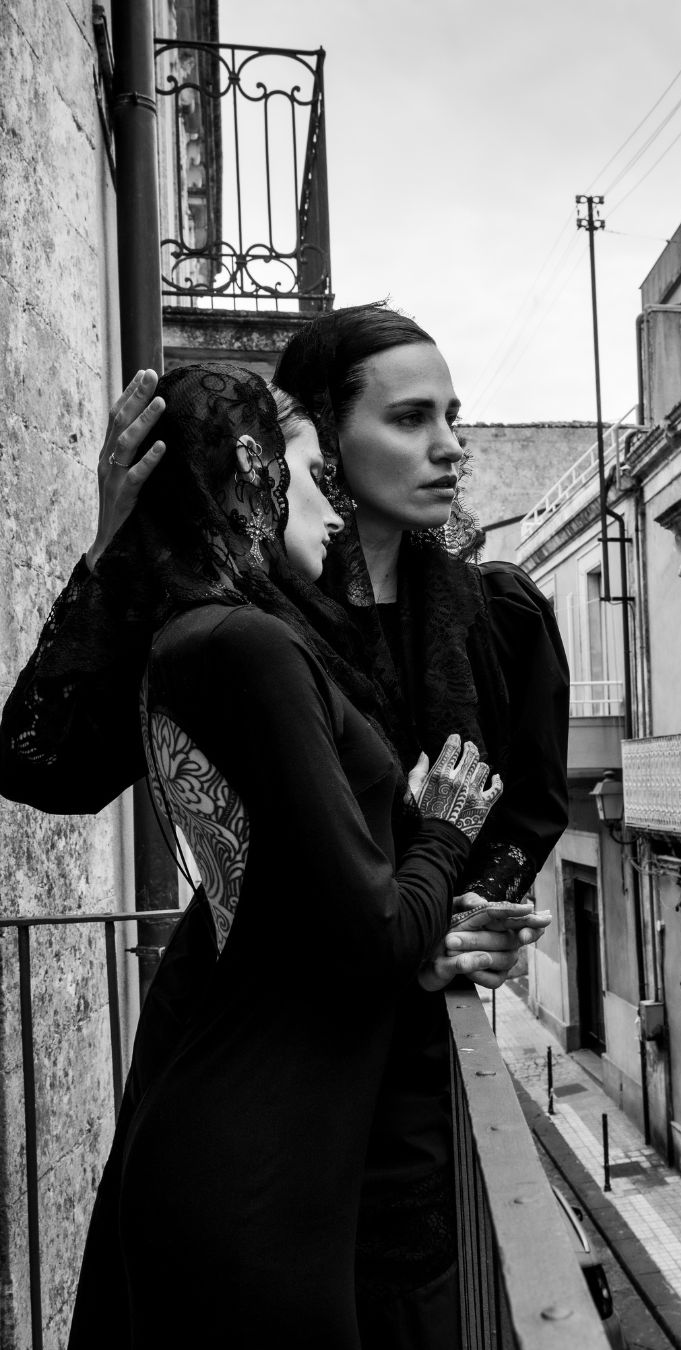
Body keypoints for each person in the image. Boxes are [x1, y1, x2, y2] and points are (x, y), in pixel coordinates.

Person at [1, 308, 570, 1349]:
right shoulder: (242, 612)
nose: (451, 446)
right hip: (263, 1045)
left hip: (404, 1053)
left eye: (452, 416)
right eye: (410, 418)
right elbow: (52, 768)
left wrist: (476, 918)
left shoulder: (501, 619)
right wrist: (115, 546)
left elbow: (522, 810)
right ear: (317, 440)